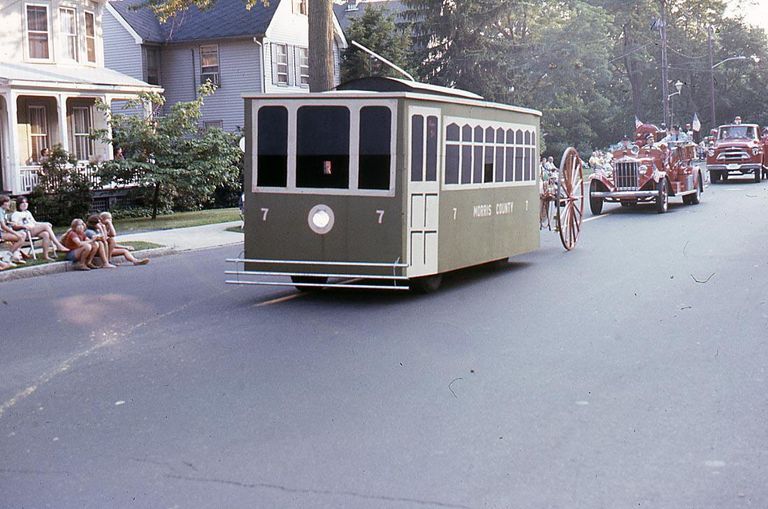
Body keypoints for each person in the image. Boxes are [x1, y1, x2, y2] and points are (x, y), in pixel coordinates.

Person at [9, 196, 69, 261]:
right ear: (18, 204)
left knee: (46, 234)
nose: (25, 204)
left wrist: (46, 223)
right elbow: (14, 226)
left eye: (26, 202)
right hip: (26, 232)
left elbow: (35, 223)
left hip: (33, 230)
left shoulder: (27, 212)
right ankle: (58, 245)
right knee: (46, 226)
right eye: (22, 203)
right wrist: (23, 226)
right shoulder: (16, 214)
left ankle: (46, 256)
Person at [0, 195, 27, 265]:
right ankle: (7, 257)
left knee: (22, 235)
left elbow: (4, 224)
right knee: (21, 237)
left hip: (2, 232)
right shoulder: (0, 211)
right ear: (3, 203)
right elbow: (3, 227)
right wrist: (15, 233)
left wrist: (9, 223)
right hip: (1, 234)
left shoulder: (3, 211)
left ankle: (14, 256)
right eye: (7, 202)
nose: (9, 204)